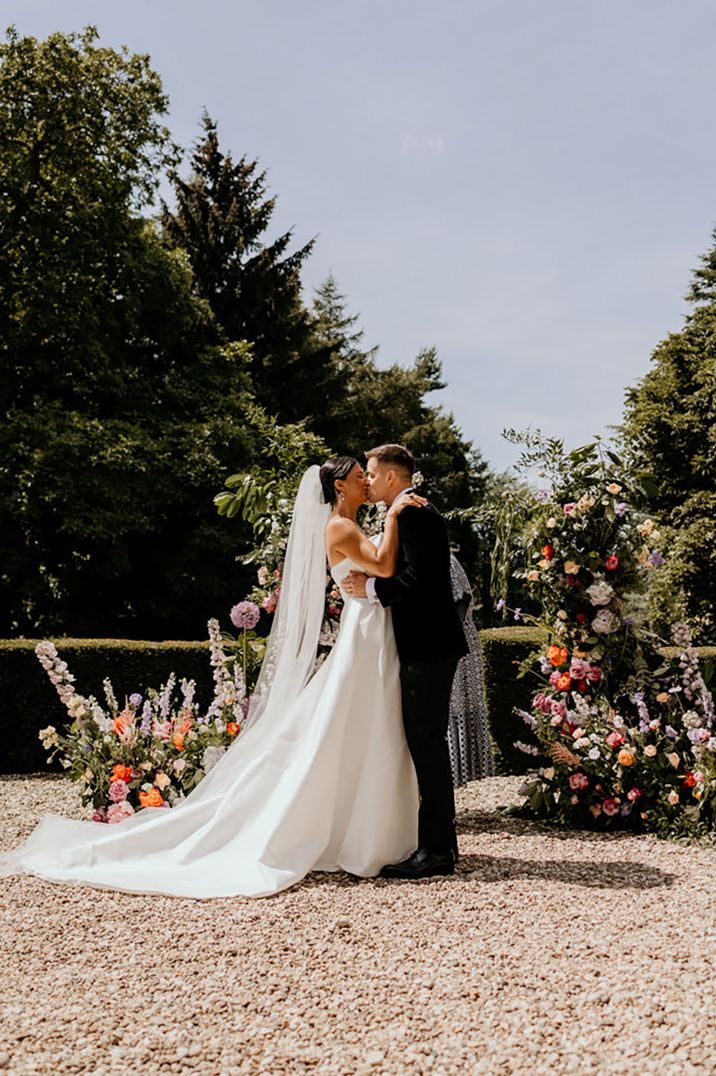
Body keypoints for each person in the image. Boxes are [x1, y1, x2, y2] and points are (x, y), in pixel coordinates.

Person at [0, 459, 424, 899]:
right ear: (340, 486)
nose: (367, 483)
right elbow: (385, 565)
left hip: (371, 631)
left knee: (360, 725)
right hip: (364, 633)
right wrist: (394, 516)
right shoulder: (339, 527)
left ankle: (366, 825)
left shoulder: (349, 523)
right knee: (348, 723)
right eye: (360, 478)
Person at [342, 444, 468, 879]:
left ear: (392, 478)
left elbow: (419, 579)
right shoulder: (411, 511)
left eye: (373, 475)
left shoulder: (413, 513)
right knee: (426, 743)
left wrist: (372, 592)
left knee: (426, 744)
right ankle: (441, 846)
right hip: (428, 645)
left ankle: (435, 852)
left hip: (428, 646)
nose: (368, 481)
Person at [447, 554, 495, 785]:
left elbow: (461, 600)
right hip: (455, 641)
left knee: (461, 705)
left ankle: (466, 774)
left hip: (458, 643)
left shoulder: (448, 561)